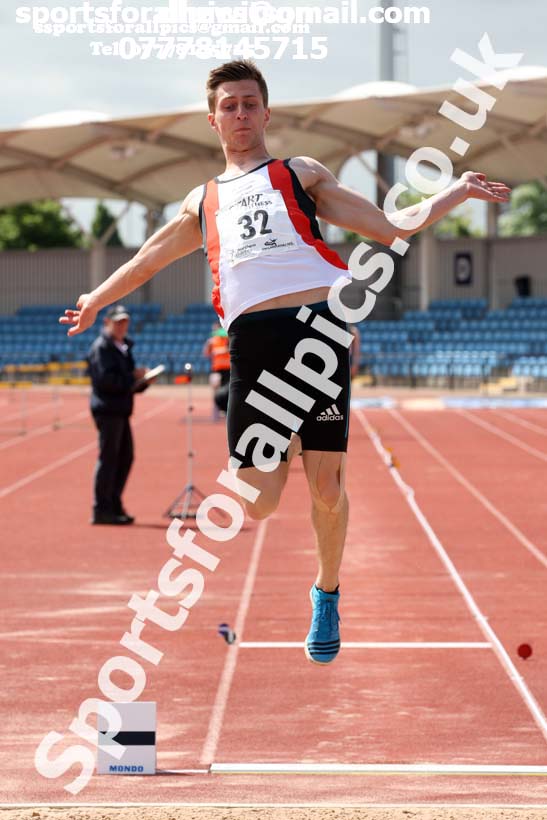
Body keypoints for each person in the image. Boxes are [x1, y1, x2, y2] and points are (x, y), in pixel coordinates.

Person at [60, 60, 510, 663]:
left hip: (317, 332)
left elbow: (388, 228)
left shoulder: (299, 174)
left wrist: (453, 192)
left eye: (250, 103)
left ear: (266, 113)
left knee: (327, 489)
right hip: (254, 347)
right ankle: (292, 441)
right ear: (213, 118)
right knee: (258, 500)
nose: (240, 114)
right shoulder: (204, 200)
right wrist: (95, 298)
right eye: (229, 105)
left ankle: (326, 592)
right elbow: (145, 260)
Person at [87, 304, 151, 525]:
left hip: (120, 409)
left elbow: (126, 383)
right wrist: (133, 377)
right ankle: (102, 508)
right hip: (108, 410)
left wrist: (143, 382)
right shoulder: (102, 348)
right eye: (118, 322)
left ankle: (113, 504)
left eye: (125, 322)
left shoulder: (123, 346)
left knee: (124, 457)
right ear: (107, 323)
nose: (122, 326)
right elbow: (107, 381)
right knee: (109, 459)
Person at [202, 321, 231, 419]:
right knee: (215, 389)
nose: (214, 330)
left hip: (228, 369)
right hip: (216, 369)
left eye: (215, 328)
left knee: (228, 391)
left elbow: (228, 350)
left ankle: (227, 411)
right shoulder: (212, 341)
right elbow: (206, 354)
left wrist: (219, 351)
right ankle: (215, 413)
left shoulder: (228, 338)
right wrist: (208, 344)